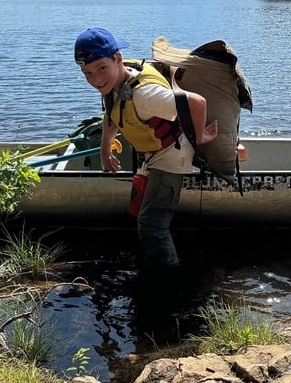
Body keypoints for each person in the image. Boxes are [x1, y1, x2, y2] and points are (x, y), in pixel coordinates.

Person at [74, 27, 218, 267]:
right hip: (150, 153)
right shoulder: (112, 84)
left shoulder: (144, 96)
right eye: (87, 72)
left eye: (101, 68)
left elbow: (196, 102)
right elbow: (112, 114)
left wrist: (200, 135)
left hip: (171, 156)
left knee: (152, 224)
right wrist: (105, 149)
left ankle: (168, 278)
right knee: (141, 213)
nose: (96, 79)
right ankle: (154, 260)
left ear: (117, 58)